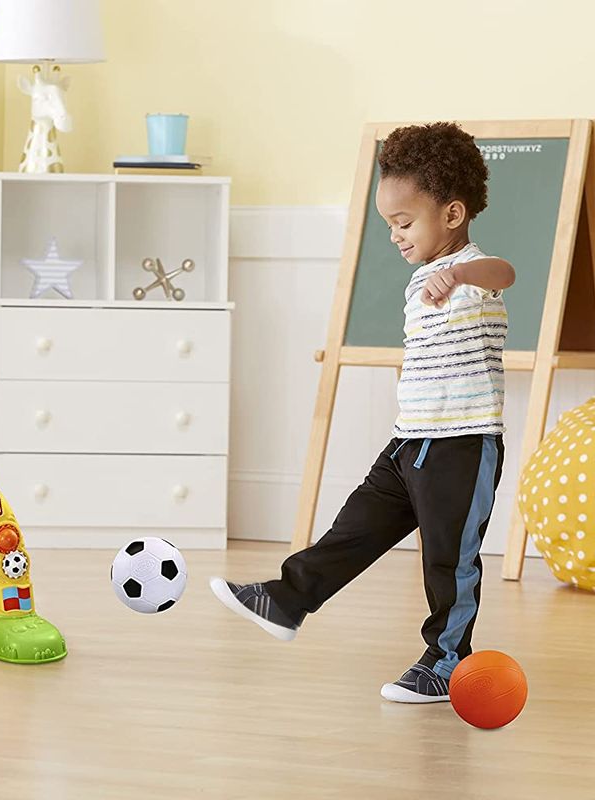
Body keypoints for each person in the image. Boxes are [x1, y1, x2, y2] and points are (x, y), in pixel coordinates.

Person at [210, 122, 516, 703]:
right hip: (410, 442)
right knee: (354, 529)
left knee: (448, 561)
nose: (395, 236)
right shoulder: (421, 279)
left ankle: (447, 660)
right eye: (389, 225)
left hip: (462, 444)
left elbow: (506, 272)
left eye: (405, 223)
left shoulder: (474, 273)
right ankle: (288, 599)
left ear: (452, 215)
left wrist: (458, 274)